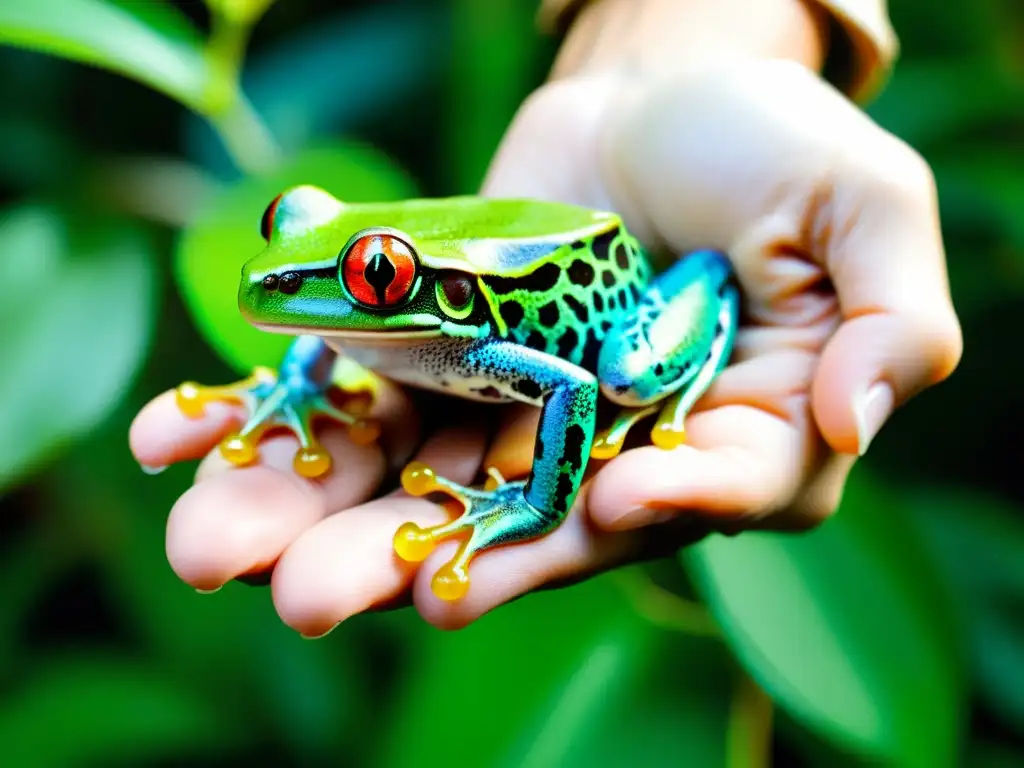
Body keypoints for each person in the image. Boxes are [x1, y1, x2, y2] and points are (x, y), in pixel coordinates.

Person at [129, 0, 962, 636]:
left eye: (371, 273)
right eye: (289, 224)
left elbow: (568, 387)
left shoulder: (486, 344)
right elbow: (331, 318)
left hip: (608, 298)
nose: (287, 272)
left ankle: (560, 480)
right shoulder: (366, 316)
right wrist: (299, 383)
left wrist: (535, 499)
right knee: (343, 317)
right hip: (460, 277)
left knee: (623, 379)